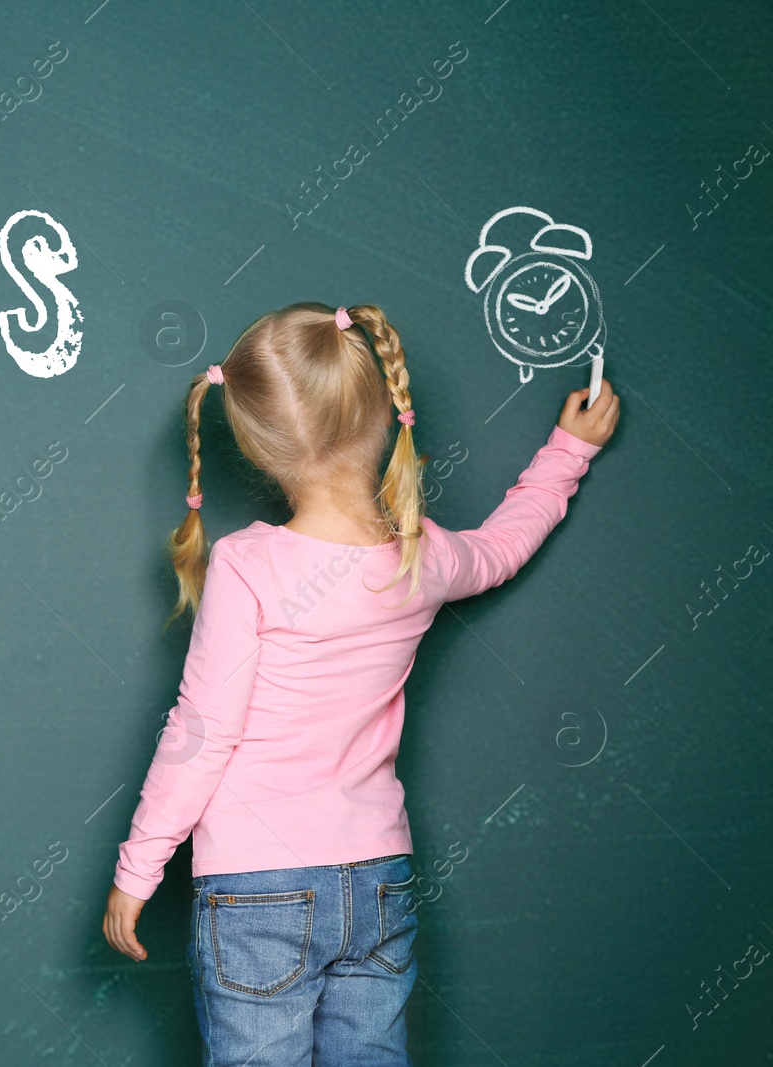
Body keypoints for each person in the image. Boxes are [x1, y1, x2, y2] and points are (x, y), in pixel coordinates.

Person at [100, 303, 619, 1065]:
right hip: (377, 878)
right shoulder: (421, 555)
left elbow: (202, 730)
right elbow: (505, 544)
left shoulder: (250, 564)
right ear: (382, 410)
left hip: (257, 885)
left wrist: (138, 868)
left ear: (256, 444)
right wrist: (570, 447)